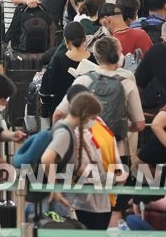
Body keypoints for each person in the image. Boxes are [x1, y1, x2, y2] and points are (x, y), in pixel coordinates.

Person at [53, 37, 145, 170]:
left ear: (96, 56)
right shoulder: (128, 83)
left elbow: (58, 114)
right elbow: (140, 124)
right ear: (117, 56)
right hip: (118, 151)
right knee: (115, 188)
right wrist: (122, 127)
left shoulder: (82, 80)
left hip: (84, 150)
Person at [42, 91, 113, 230]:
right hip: (61, 196)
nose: (93, 122)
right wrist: (54, 188)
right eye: (93, 117)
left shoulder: (67, 129)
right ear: (85, 114)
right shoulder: (65, 132)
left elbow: (73, 165)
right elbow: (47, 158)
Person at [39, 22, 96, 125]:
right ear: (84, 39)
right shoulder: (93, 59)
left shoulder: (58, 61)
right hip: (87, 114)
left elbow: (48, 89)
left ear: (66, 41)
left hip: (62, 113)